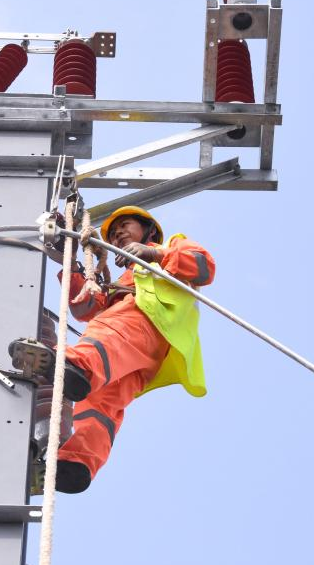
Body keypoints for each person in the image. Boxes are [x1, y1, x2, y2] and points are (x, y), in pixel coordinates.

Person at [51, 205, 215, 493]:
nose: (118, 234)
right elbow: (84, 307)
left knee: (105, 333)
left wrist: (154, 254)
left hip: (145, 323)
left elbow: (203, 267)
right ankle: (79, 462)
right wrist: (72, 264)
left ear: (148, 230)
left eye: (125, 226)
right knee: (100, 403)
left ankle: (77, 366)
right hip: (142, 357)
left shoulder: (171, 246)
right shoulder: (119, 282)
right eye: (114, 234)